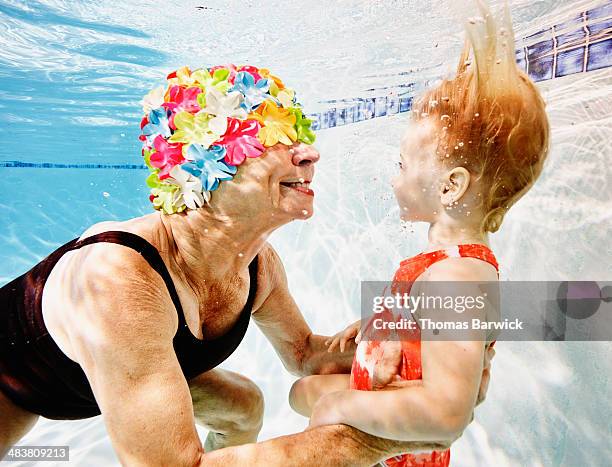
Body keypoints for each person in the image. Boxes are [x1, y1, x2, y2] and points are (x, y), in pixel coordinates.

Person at [0, 63, 463, 466]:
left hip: (113, 375)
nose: (310, 153)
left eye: (299, 136)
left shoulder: (259, 264)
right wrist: (370, 439)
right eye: (273, 140)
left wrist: (408, 348)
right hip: (14, 383)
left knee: (243, 406)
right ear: (200, 167)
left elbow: (304, 355)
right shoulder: (120, 279)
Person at [289, 2, 550, 466]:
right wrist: (386, 326)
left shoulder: (458, 279)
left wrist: (338, 409)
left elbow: (448, 416)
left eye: (403, 167)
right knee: (303, 389)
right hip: (393, 392)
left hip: (401, 456)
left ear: (451, 186)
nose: (395, 180)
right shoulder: (448, 266)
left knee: (319, 399)